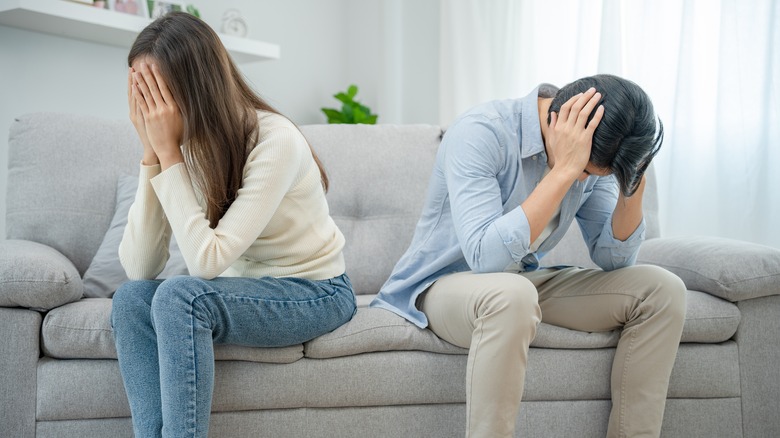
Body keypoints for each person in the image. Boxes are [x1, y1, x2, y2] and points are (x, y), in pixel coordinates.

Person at [372, 74, 686, 438]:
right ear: (559, 123)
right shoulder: (481, 133)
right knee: (512, 294)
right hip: (440, 284)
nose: (584, 180)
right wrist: (566, 170)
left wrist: (632, 184)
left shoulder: (596, 156)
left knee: (662, 289)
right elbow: (484, 259)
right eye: (584, 171)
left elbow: (614, 259)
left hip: (520, 281)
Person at [110, 12, 356, 437]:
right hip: (246, 290)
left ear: (195, 88)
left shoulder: (275, 140)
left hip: (315, 291)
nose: (151, 110)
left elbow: (207, 262)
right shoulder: (185, 146)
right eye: (141, 94)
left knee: (180, 296)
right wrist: (150, 153)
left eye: (157, 95)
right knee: (132, 299)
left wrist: (167, 152)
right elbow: (140, 266)